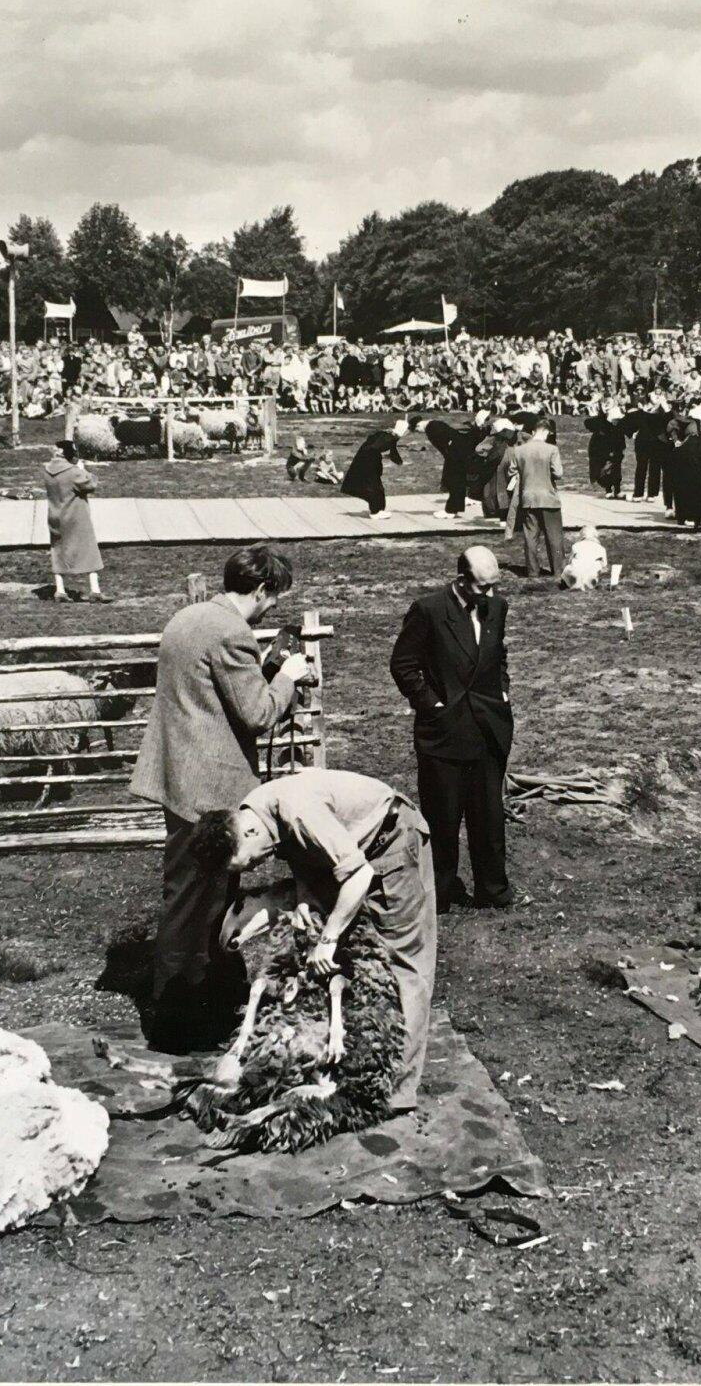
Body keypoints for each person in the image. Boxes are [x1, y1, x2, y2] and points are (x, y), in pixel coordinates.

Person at [128, 544, 311, 1050]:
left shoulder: (188, 617)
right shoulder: (232, 633)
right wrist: (286, 678)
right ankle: (176, 1024)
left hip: (179, 778)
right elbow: (257, 714)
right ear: (260, 590)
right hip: (209, 791)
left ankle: (200, 1005)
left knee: (193, 895)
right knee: (197, 906)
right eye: (272, 600)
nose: (271, 609)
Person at [192, 767, 436, 1108]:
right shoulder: (253, 813)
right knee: (352, 961)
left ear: (247, 832)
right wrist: (306, 892)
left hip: (391, 838)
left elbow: (359, 873)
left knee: (401, 961)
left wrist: (329, 938)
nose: (255, 868)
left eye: (248, 863)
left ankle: (393, 1091)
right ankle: (353, 1060)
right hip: (353, 848)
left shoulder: (296, 810)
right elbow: (297, 848)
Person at [388, 546, 515, 912]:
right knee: (443, 818)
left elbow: (498, 654)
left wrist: (502, 691)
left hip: (487, 725)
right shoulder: (429, 610)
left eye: (494, 586)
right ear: (461, 580)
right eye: (482, 587)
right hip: (444, 731)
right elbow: (403, 664)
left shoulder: (497, 607)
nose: (490, 595)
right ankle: (440, 892)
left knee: (489, 815)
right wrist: (432, 704)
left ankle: (493, 889)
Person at [45, 438, 108, 602]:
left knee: (58, 550)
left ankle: (60, 590)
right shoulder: (73, 472)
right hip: (75, 516)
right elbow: (90, 485)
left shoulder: (47, 470)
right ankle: (95, 590)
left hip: (55, 515)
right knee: (89, 550)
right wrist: (83, 469)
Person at [507, 415, 566, 576]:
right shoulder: (552, 449)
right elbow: (559, 473)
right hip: (548, 498)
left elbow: (511, 471)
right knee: (554, 537)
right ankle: (558, 570)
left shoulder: (519, 450)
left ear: (533, 431)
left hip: (528, 497)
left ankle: (532, 571)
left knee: (530, 537)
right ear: (546, 432)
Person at [341, 416, 409, 519]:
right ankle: (375, 512)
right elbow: (374, 447)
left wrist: (399, 461)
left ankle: (378, 509)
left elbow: (391, 451)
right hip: (367, 462)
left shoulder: (387, 435)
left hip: (366, 460)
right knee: (373, 487)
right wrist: (378, 456)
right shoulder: (388, 438)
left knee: (376, 487)